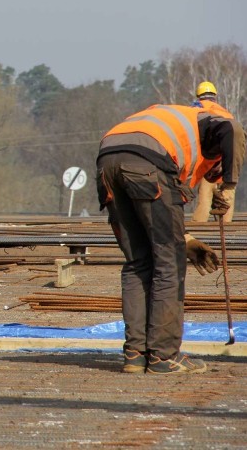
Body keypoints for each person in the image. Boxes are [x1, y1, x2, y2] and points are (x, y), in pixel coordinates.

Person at [97, 103, 244, 374]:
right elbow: (232, 129)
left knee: (137, 262)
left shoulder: (173, 126)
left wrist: (185, 239)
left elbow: (155, 217)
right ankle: (164, 356)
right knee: (169, 265)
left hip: (108, 159)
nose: (211, 177)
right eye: (214, 172)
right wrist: (230, 186)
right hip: (147, 163)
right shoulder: (215, 119)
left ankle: (135, 354)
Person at [190, 81, 238, 222]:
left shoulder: (196, 110)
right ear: (215, 96)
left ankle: (200, 229)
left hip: (207, 162)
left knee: (205, 196)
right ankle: (227, 229)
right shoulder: (225, 113)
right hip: (225, 162)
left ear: (199, 96)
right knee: (227, 196)